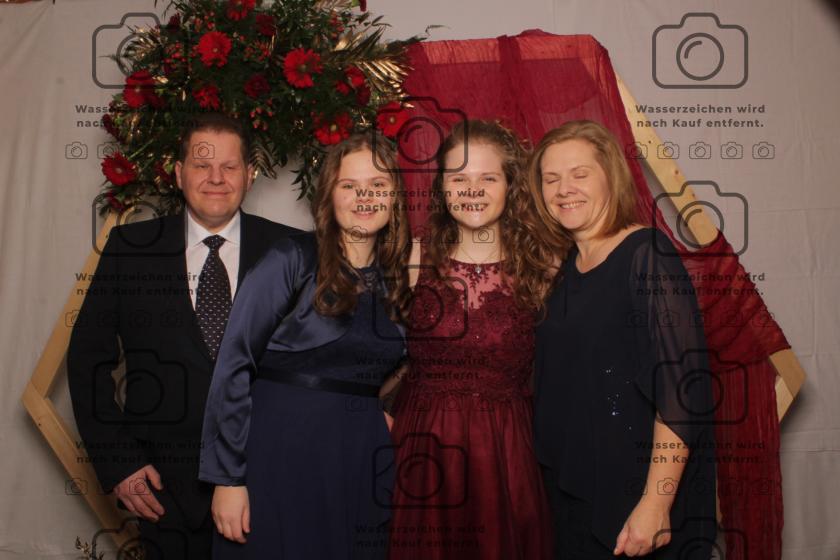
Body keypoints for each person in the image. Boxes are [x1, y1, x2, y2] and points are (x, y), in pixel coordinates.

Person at [67, 112, 299, 559]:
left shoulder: (292, 250)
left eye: (229, 166)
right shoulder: (129, 249)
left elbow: (317, 362)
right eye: (201, 165)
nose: (216, 178)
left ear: (250, 174)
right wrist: (120, 463)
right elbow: (86, 361)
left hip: (267, 482)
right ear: (178, 172)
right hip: (163, 493)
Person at [199, 131, 411, 559]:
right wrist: (228, 479)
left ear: (395, 199)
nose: (364, 197)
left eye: (378, 185)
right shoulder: (292, 258)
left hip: (359, 457)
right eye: (349, 185)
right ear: (329, 195)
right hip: (281, 451)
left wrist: (387, 412)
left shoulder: (399, 279)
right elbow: (234, 363)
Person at [528, 120, 717, 559]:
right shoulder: (568, 267)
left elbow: (682, 393)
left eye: (579, 174)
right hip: (575, 488)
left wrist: (656, 503)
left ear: (610, 176)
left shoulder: (647, 255)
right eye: (551, 179)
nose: (564, 189)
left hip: (634, 495)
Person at [386, 120, 557, 560]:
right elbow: (374, 351)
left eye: (488, 178)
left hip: (507, 453)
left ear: (510, 185)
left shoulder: (543, 267)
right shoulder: (413, 256)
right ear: (442, 188)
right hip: (423, 448)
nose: (472, 190)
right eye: (459, 179)